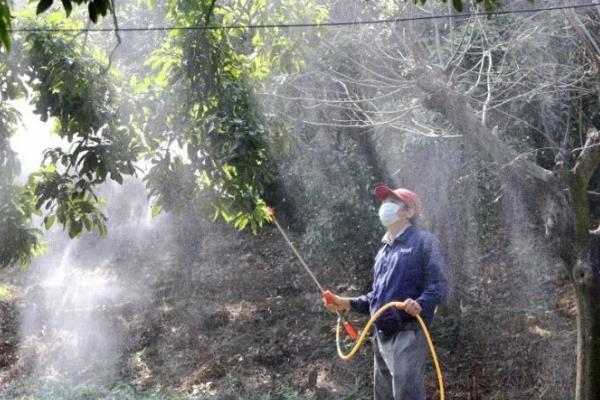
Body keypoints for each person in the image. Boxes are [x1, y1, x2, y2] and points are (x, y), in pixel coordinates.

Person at [324, 185, 449, 400]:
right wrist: (344, 302)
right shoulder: (383, 251)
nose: (385, 206)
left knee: (406, 396)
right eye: (384, 201)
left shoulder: (423, 242)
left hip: (408, 331)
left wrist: (420, 302)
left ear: (409, 212)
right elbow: (376, 297)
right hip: (381, 335)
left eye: (392, 202)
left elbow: (440, 284)